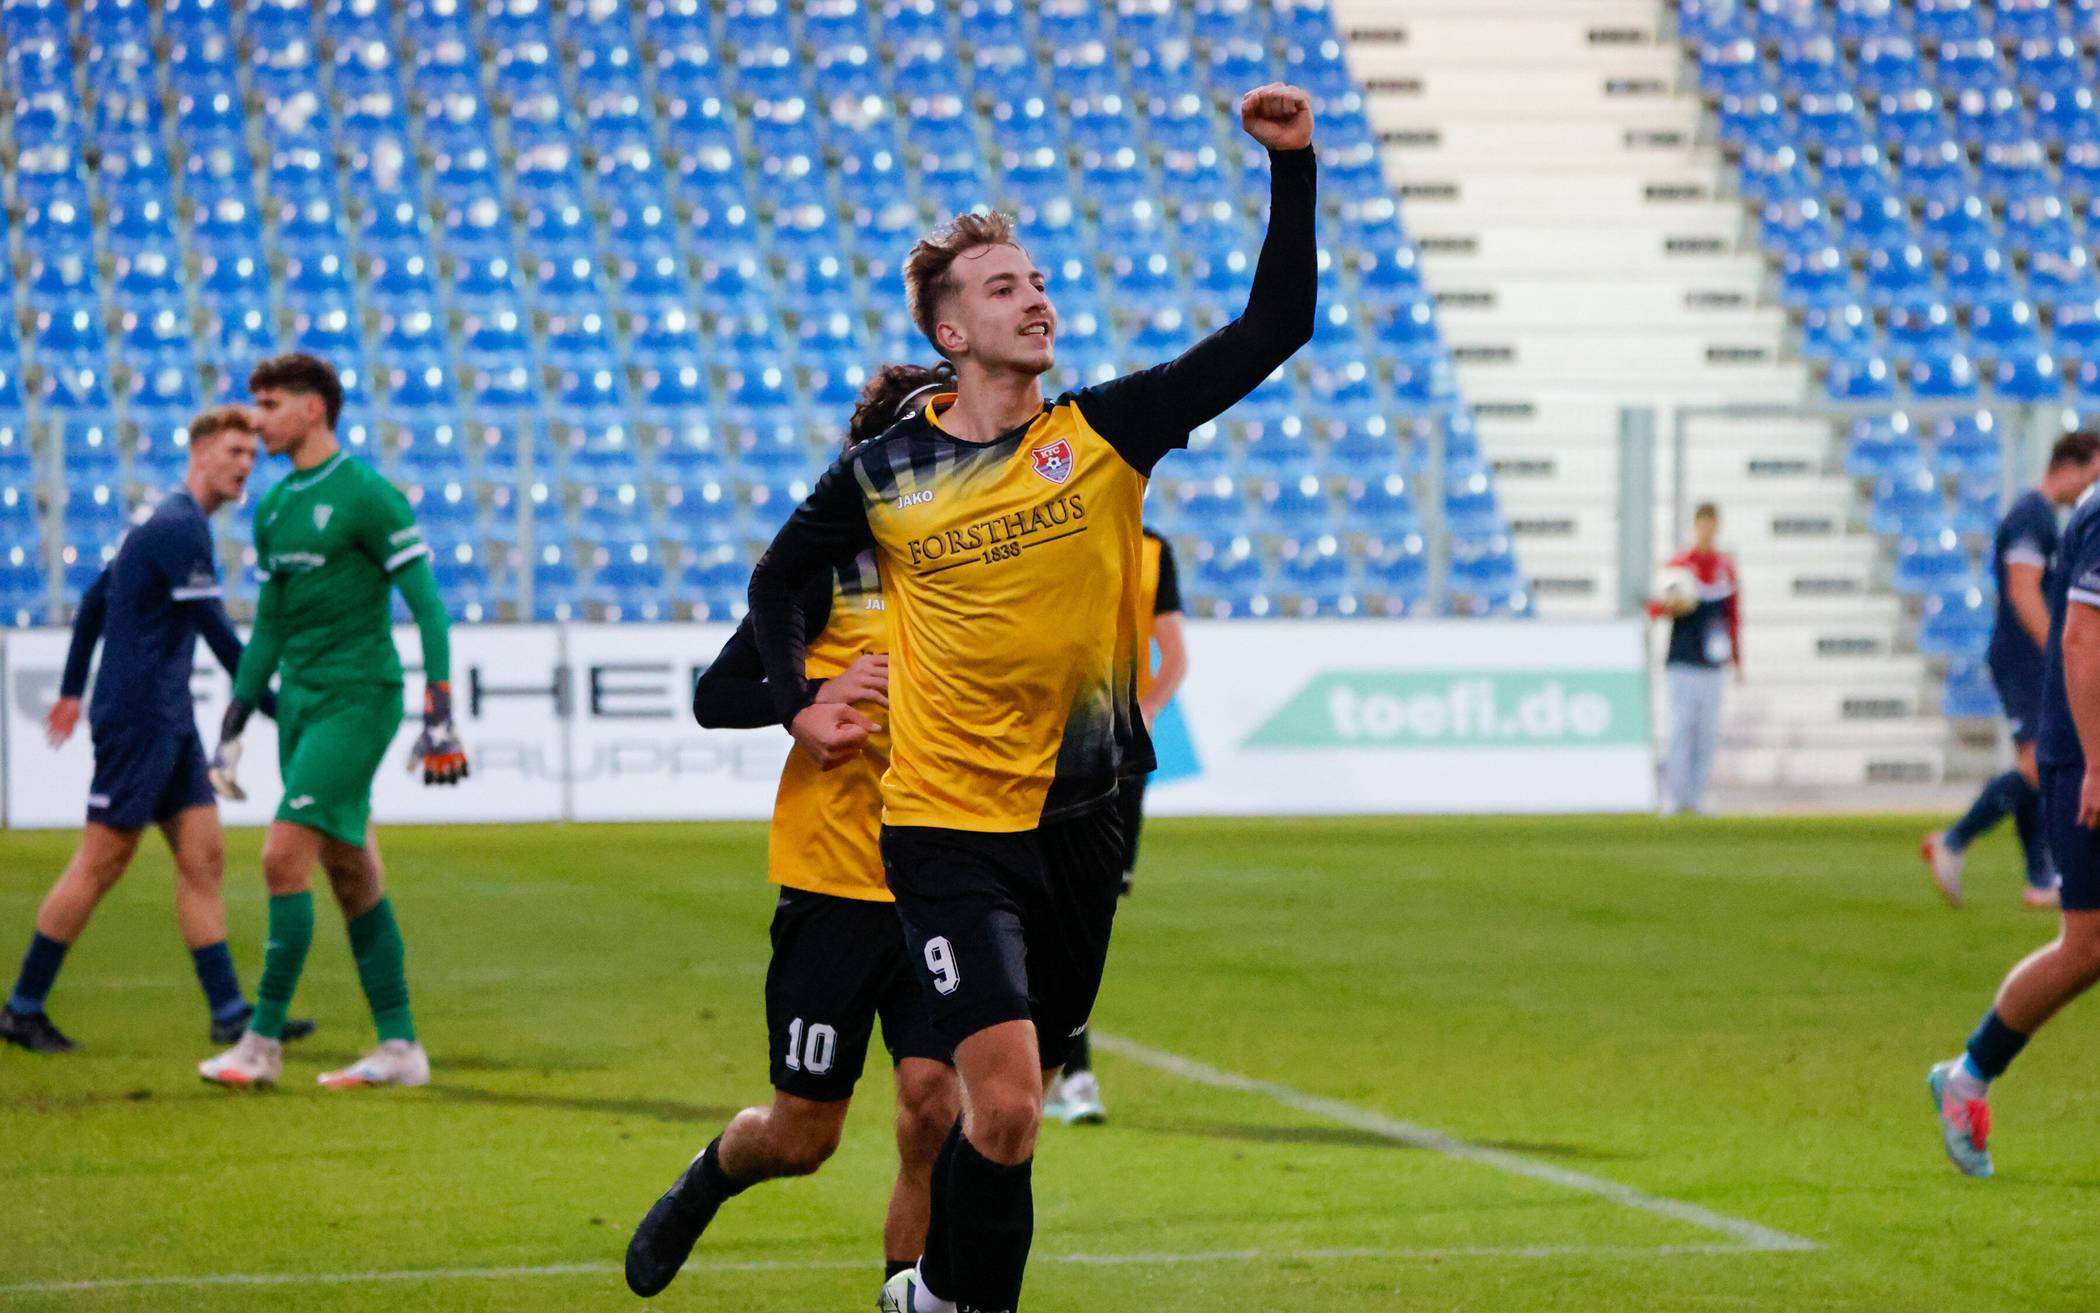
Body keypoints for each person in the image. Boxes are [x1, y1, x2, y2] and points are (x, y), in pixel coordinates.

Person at [746, 84, 1314, 1313]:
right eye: (1003, 285)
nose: (1036, 296)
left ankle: (937, 1293)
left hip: (1085, 813)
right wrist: (798, 698)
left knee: (1012, 1126)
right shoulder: (885, 472)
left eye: (1039, 279)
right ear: (951, 332)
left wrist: (1295, 167)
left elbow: (1277, 324)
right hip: (946, 824)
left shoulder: (1107, 433)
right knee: (996, 1099)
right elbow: (779, 576)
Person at [625, 364, 961, 1298]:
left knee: (934, 1112)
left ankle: (910, 1292)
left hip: (945, 879)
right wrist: (809, 694)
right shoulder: (827, 568)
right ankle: (711, 1176)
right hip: (835, 886)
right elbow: (713, 695)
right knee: (803, 1136)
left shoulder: (979, 567)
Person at [1, 408, 313, 1054]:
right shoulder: (178, 529)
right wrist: (282, 711)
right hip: (140, 719)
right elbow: (222, 638)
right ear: (199, 451)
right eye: (233, 451)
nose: (244, 466)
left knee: (203, 856)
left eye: (251, 456)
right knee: (101, 860)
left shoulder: (164, 522)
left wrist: (69, 689)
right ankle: (21, 1007)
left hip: (166, 717)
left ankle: (230, 1013)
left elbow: (93, 601)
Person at [196, 352, 468, 1090]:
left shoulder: (368, 495)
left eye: (271, 403)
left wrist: (439, 710)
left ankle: (259, 1045)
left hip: (360, 700)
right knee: (350, 871)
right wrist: (234, 720)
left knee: (283, 854)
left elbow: (430, 606)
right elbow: (270, 630)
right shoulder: (274, 507)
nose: (258, 419)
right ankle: (401, 1047)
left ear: (314, 408)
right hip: (303, 707)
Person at [1929, 450, 2100, 1178]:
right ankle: (1967, 1076)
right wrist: (2097, 758)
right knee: (2087, 945)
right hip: (2085, 749)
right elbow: (2081, 636)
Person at [1043, 524, 1187, 1126]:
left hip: (1121, 757)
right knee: (1048, 906)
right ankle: (1073, 1075)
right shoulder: (1056, 525)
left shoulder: (1154, 550)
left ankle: (1056, 1066)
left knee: (1089, 911)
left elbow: (1174, 654)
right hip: (1056, 746)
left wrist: (1146, 712)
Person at [1923, 432, 2100, 908]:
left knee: (2036, 763)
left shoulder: (2041, 515)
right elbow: (2023, 590)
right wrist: (2058, 650)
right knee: (2036, 761)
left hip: (2026, 654)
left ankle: (2039, 878)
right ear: (2075, 466)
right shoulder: (2032, 514)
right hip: (2025, 655)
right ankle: (1953, 841)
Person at [1654, 502, 1741, 816]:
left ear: (1716, 526)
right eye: (1702, 524)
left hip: (1712, 661)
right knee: (1681, 728)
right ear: (1696, 526)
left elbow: (1733, 615)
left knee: (1706, 732)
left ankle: (1697, 793)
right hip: (1682, 660)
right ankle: (1675, 795)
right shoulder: (1679, 566)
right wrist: (1671, 607)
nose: (1706, 530)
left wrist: (1737, 658)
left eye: (1711, 524)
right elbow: (1656, 607)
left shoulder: (1724, 567)